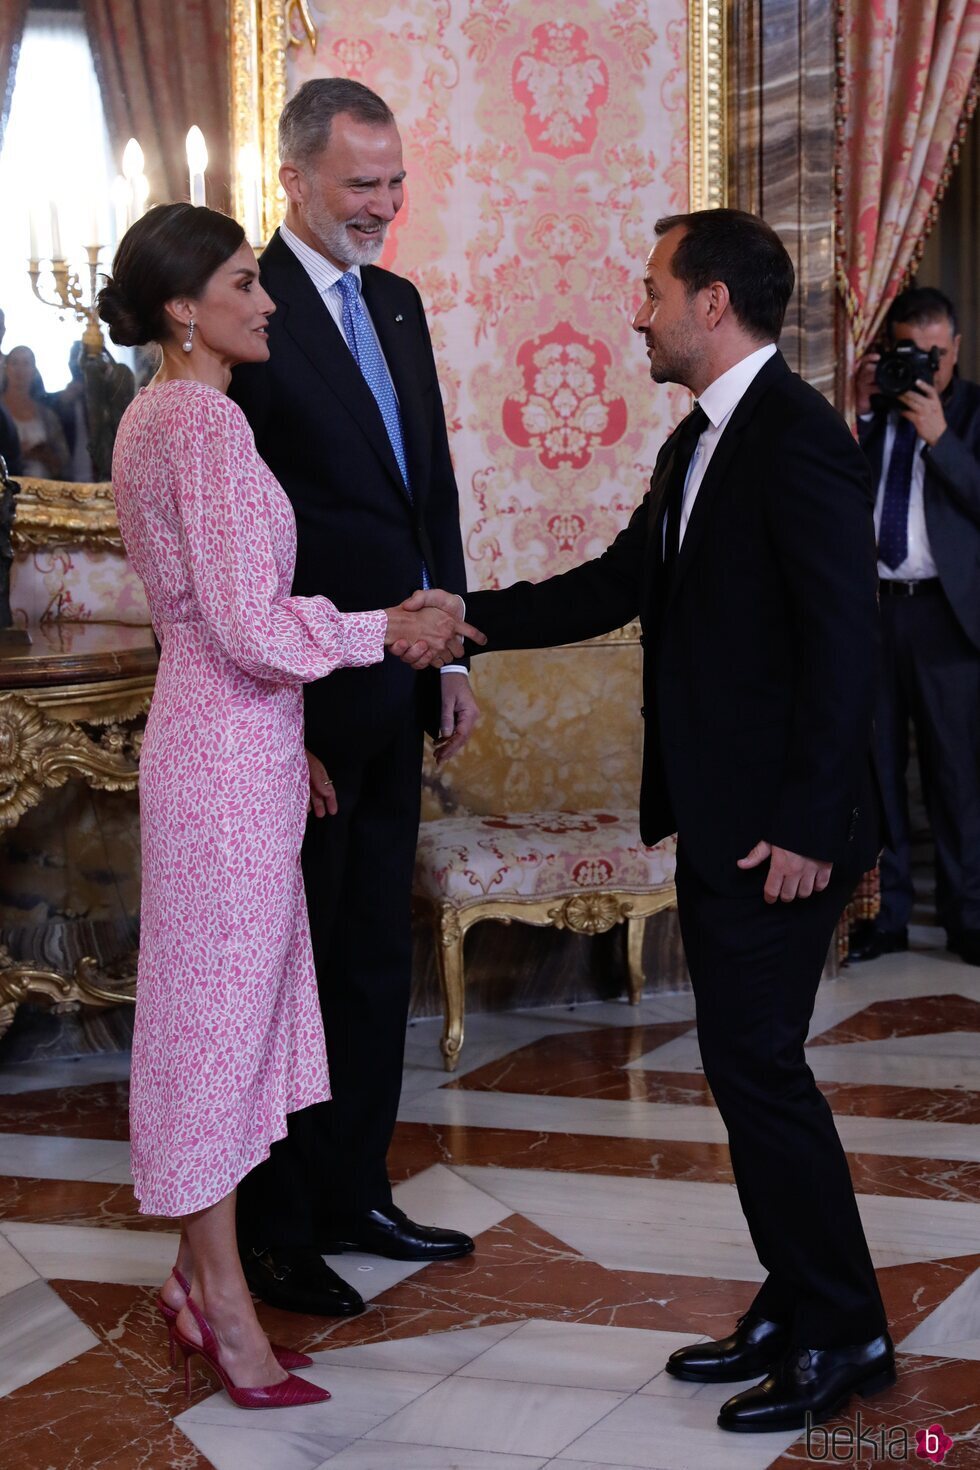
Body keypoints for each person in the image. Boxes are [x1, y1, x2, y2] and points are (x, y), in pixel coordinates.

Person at [415, 209, 894, 1433]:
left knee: (761, 1074)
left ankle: (844, 1332)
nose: (634, 309)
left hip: (780, 833)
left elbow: (848, 648)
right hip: (725, 816)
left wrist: (806, 824)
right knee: (744, 1075)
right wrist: (466, 615)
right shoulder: (700, 442)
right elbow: (619, 584)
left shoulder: (792, 439)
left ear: (711, 302)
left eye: (649, 289)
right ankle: (793, 1303)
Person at [98, 201, 481, 1409]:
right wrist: (388, 626)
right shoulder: (201, 426)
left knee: (231, 1017)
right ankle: (222, 1305)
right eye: (245, 283)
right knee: (212, 1038)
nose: (267, 303)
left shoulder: (156, 417)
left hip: (230, 741)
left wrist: (286, 739)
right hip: (224, 753)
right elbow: (253, 624)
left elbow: (213, 626)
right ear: (181, 308)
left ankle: (188, 1277)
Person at [229, 78, 479, 1317]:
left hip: (402, 682)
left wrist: (457, 650)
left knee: (375, 957)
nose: (381, 208)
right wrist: (280, 717)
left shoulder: (398, 300)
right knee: (297, 973)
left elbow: (426, 489)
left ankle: (355, 1190)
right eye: (357, 187)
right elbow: (249, 546)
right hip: (305, 704)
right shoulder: (248, 317)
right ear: (294, 181)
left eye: (392, 184)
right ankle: (276, 1230)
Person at [849, 288, 980, 966]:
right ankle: (887, 916)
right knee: (877, 773)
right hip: (874, 612)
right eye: (909, 352)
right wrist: (865, 410)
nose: (924, 366)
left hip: (947, 617)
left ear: (956, 348)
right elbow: (840, 494)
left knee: (956, 776)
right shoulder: (872, 414)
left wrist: (942, 440)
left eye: (935, 354)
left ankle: (969, 920)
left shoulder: (973, 412)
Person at [1, 344, 69, 479]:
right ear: (6, 368)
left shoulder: (47, 416)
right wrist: (18, 452)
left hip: (43, 492)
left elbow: (64, 462)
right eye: (14, 363)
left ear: (34, 371)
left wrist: (45, 455)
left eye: (26, 363)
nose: (20, 370)